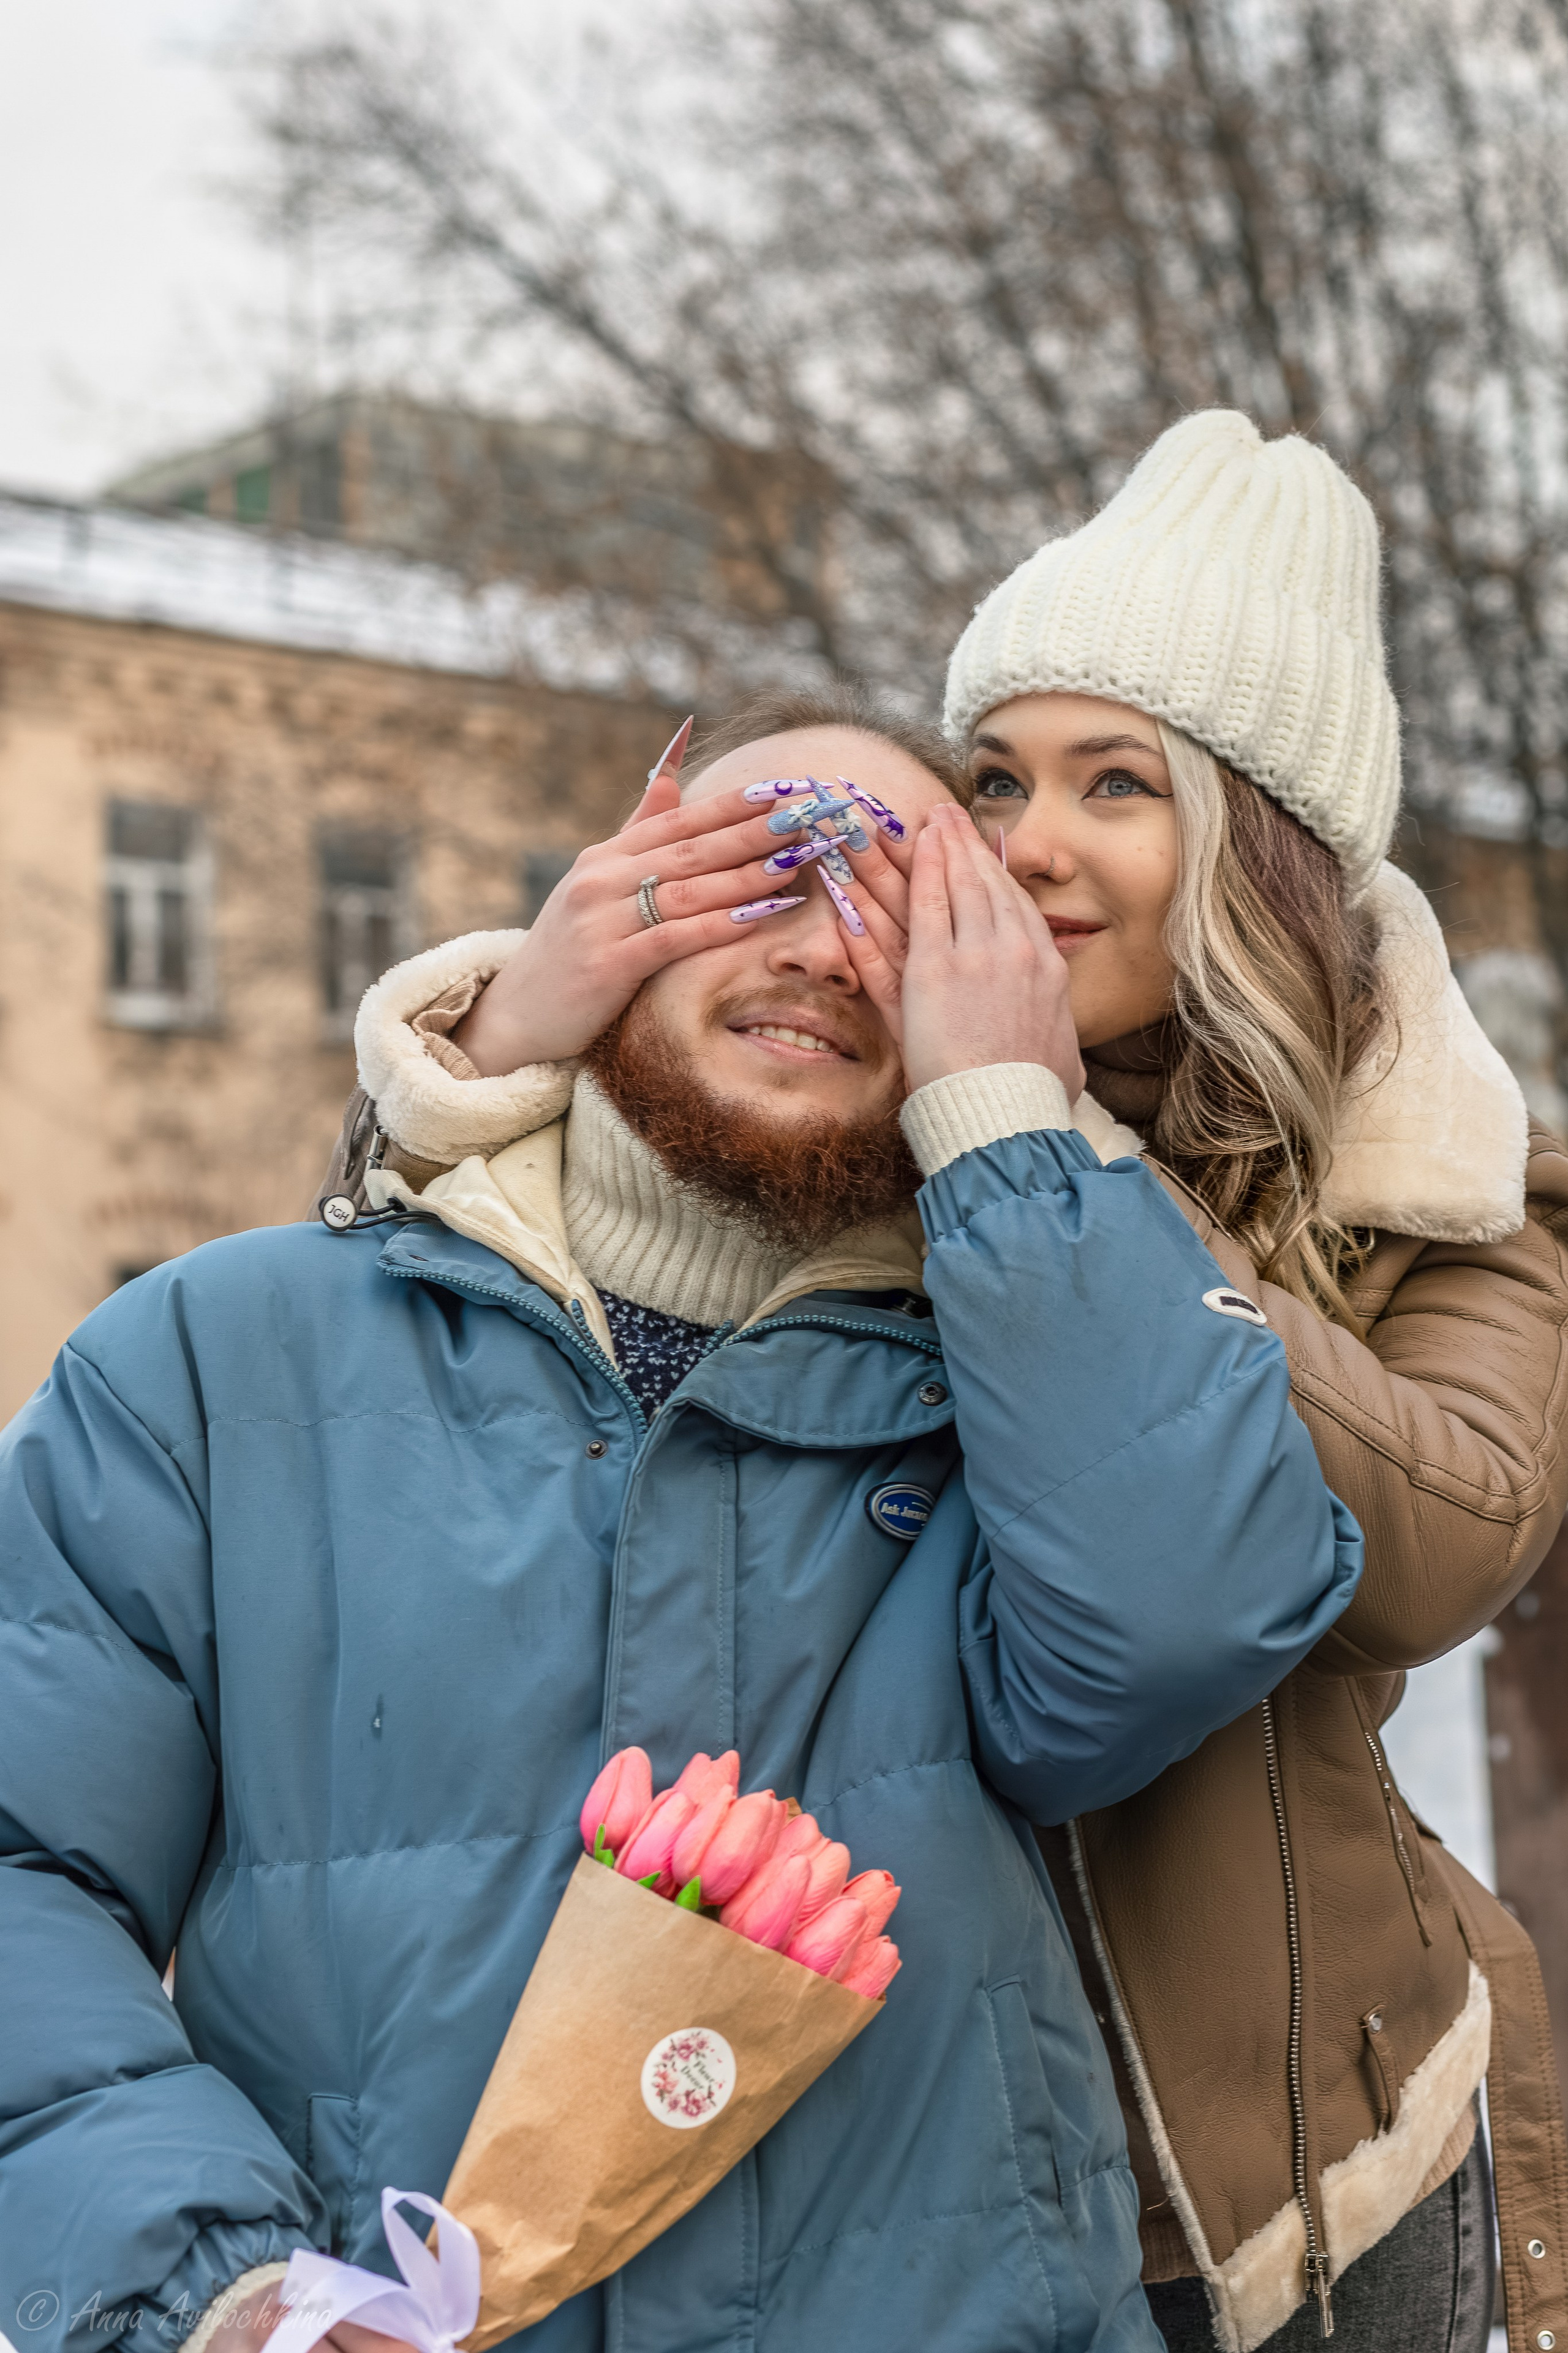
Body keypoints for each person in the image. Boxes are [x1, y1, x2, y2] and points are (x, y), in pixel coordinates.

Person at [347, 415, 1568, 2353]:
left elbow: (1435, 1544)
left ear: (1263, 845)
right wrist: (510, 1032)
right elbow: (459, 1335)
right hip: (895, 2177)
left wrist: (1052, 1139)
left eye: (1118, 783)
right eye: (994, 774)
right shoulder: (884, 1126)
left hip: (1284, 2187)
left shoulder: (1451, 1190)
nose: (1026, 840)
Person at [0, 698, 1362, 2353]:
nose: (826, 948)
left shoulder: (1017, 1386)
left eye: (911, 909)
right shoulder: (211, 1364)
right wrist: (221, 2288)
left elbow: (1177, 1624)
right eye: (767, 863)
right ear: (611, 907)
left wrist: (1013, 1118)